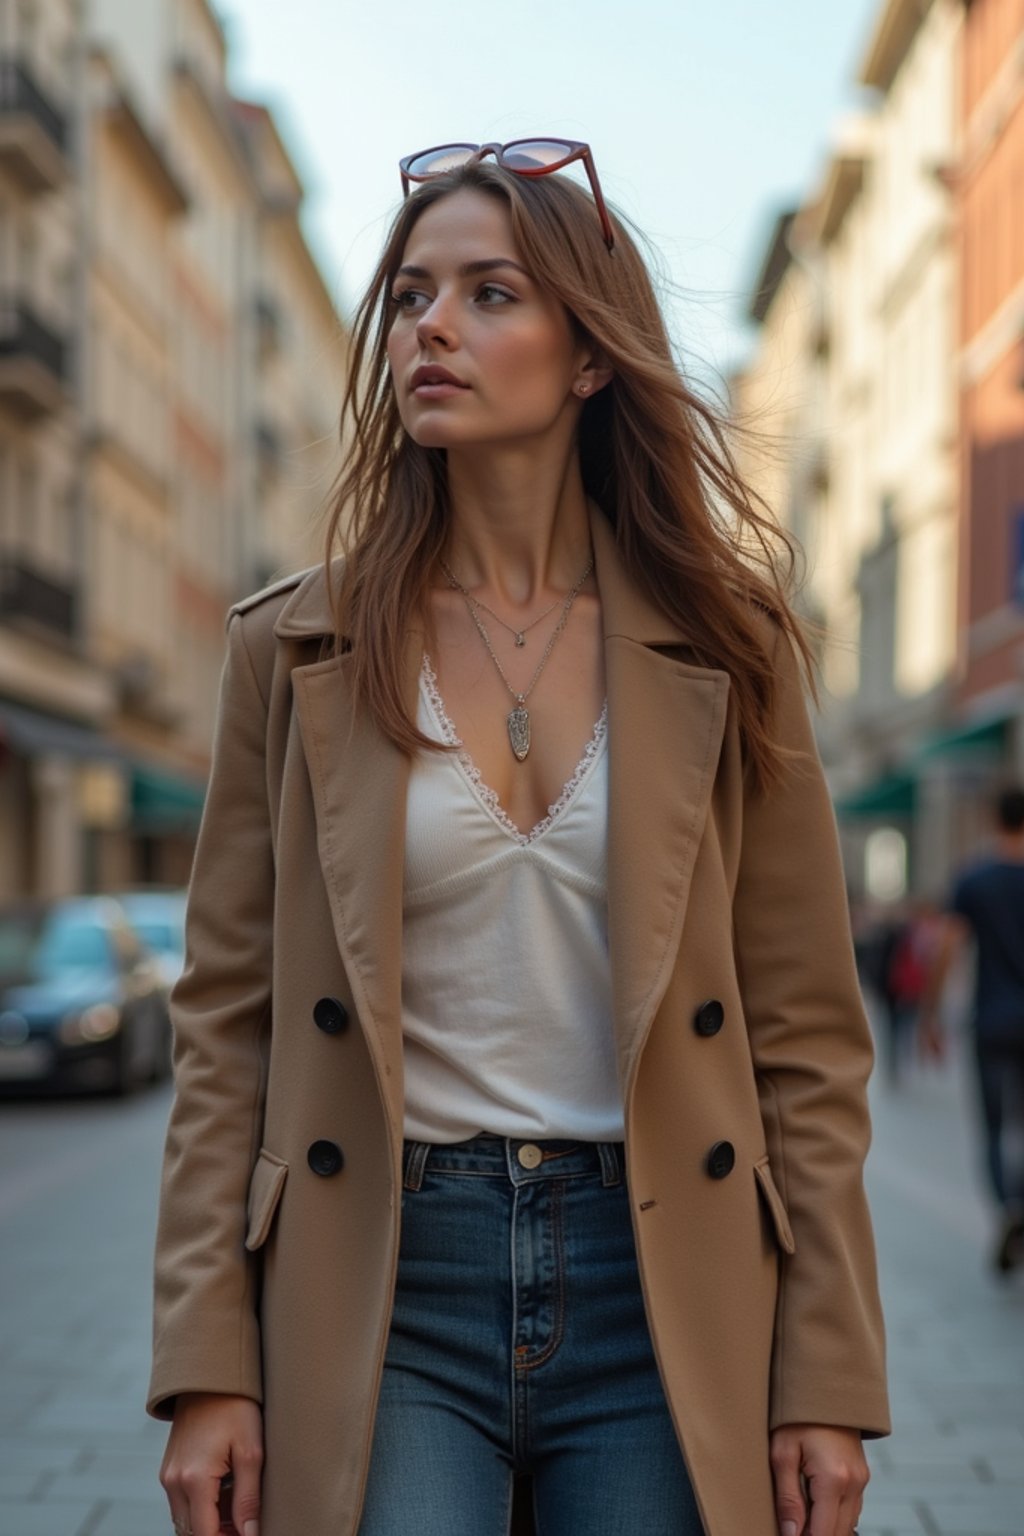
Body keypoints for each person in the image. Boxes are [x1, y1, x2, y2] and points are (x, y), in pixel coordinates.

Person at [148, 140, 890, 1536]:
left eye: (491, 293)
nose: (433, 325)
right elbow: (226, 1028)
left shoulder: (730, 651)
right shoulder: (293, 648)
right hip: (383, 1273)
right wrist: (206, 1366)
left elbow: (805, 1037)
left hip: (663, 1277)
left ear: (591, 354)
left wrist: (828, 1376)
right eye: (414, 295)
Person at [918, 784, 1024, 1274]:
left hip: (992, 1021)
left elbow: (947, 948)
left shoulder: (974, 878)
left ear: (993, 819)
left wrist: (930, 1016)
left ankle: (1009, 1207)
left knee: (993, 1127)